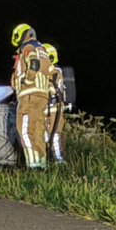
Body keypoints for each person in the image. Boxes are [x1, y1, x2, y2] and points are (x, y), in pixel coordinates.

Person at [10, 23, 52, 169]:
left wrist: (27, 81)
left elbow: (33, 64)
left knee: (25, 130)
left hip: (29, 95)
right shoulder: (43, 49)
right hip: (42, 96)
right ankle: (41, 165)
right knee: (38, 130)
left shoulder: (28, 47)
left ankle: (32, 166)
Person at [43, 43, 67, 163]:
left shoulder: (56, 72)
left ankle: (59, 161)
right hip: (44, 110)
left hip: (54, 110)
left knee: (55, 136)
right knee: (44, 137)